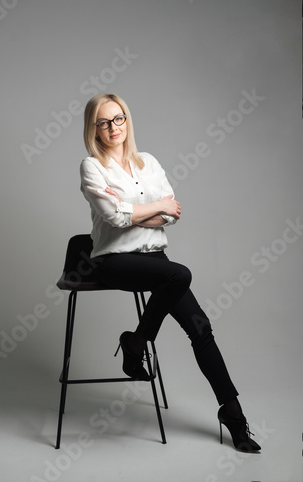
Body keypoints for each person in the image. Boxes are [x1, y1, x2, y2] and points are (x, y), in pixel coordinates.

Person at [80, 93, 261, 453]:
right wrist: (153, 207)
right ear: (94, 129)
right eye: (104, 122)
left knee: (201, 328)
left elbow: (171, 213)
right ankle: (135, 345)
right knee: (180, 274)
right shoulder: (92, 167)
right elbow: (114, 219)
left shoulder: (148, 162)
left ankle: (233, 415)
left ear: (127, 121)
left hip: (156, 262)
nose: (113, 127)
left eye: (119, 119)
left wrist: (140, 210)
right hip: (113, 261)